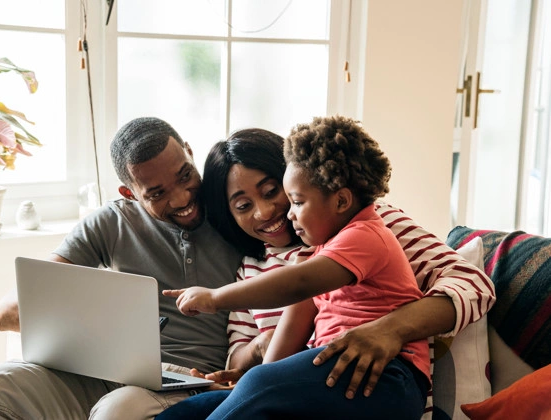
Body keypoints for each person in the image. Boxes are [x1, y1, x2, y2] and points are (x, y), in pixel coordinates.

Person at [159, 118, 496, 419]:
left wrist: (391, 329)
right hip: (310, 390)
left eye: (276, 193)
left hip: (381, 382)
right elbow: (263, 353)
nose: (267, 212)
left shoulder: (370, 227)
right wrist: (256, 363)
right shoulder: (256, 267)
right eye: (244, 205)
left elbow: (474, 285)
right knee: (188, 411)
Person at [0, 117, 245, 419]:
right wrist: (98, 331)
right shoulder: (114, 221)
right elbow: (6, 314)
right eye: (157, 193)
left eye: (185, 175)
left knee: (117, 410)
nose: (182, 197)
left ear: (189, 151)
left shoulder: (237, 211)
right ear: (130, 194)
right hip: (104, 373)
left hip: (185, 382)